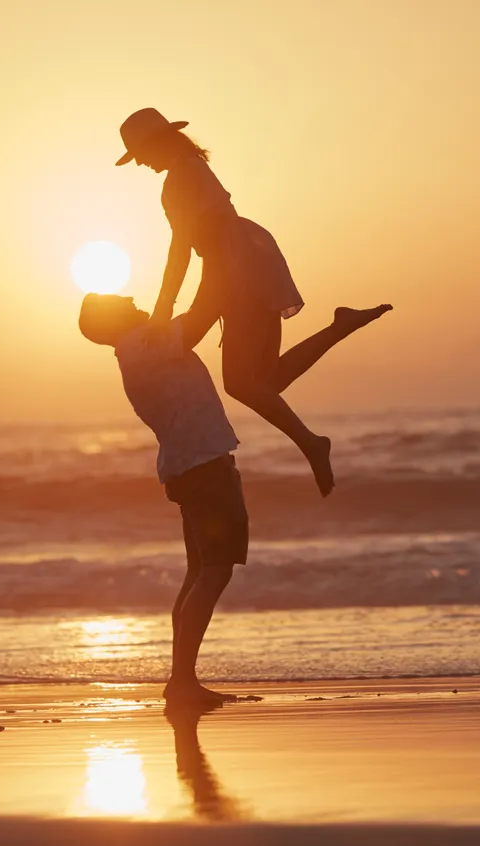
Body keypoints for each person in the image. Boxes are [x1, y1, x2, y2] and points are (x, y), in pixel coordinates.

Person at [79, 293, 393, 706]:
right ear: (112, 320)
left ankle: (182, 680)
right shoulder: (147, 343)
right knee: (213, 573)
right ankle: (182, 682)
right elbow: (205, 312)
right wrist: (222, 269)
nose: (134, 298)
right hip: (204, 468)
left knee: (199, 574)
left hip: (191, 468)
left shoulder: (138, 349)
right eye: (121, 300)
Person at [115, 108, 392, 498]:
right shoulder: (191, 168)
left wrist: (165, 308)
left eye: (141, 152)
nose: (141, 162)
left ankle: (312, 443)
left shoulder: (180, 178)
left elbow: (184, 247)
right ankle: (340, 327)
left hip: (234, 268)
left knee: (242, 383)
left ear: (158, 142)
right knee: (268, 380)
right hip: (250, 256)